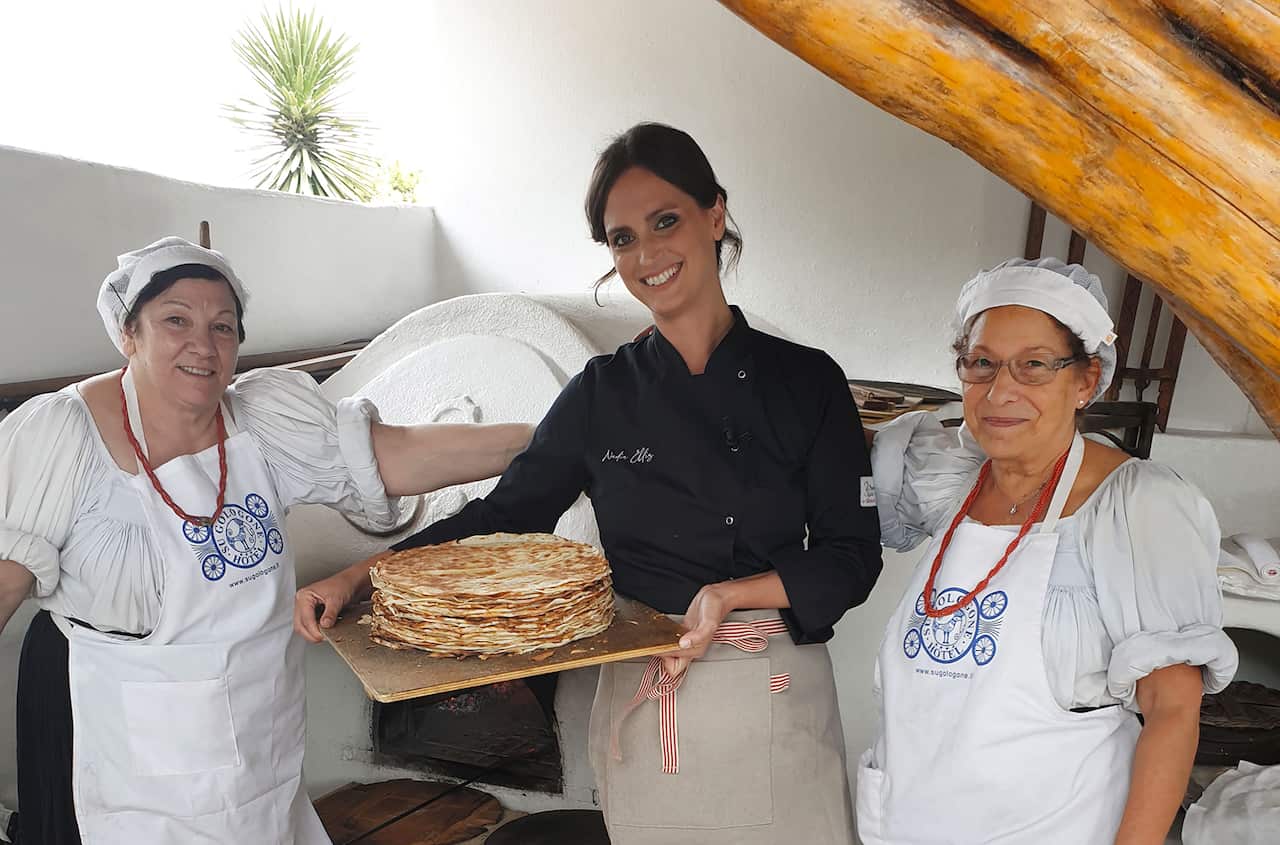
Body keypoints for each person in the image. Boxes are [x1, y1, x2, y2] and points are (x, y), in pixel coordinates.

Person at [297, 123, 883, 844]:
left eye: (665, 221)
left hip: (769, 691)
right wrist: (360, 575)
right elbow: (503, 514)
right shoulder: (604, 392)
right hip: (645, 691)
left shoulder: (806, 381)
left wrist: (730, 594)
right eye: (622, 238)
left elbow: (852, 555)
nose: (647, 254)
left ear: (714, 215)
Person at [0, 237, 533, 843]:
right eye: (176, 319)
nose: (203, 344)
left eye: (223, 327)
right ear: (130, 332)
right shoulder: (64, 435)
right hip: (134, 763)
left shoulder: (259, 424)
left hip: (260, 745)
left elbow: (399, 454)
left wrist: (547, 439)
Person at [858, 257, 1238, 844]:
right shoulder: (953, 477)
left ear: (1086, 381)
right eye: (981, 363)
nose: (1000, 390)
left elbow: (1172, 710)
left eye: (1033, 366)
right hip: (912, 821)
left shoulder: (1137, 506)